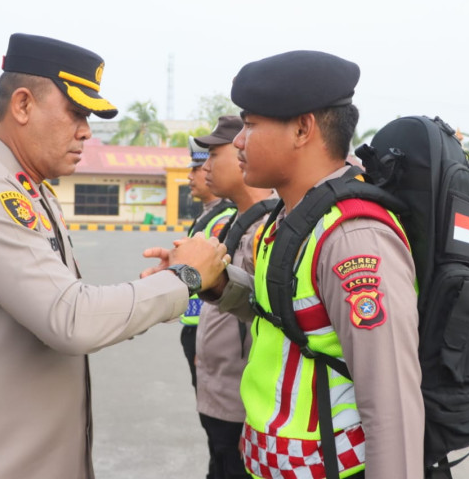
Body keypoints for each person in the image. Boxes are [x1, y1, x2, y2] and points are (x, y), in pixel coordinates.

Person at [0, 33, 228, 479]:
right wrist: (185, 280)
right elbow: (71, 319)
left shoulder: (30, 191)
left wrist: (165, 286)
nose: (86, 130)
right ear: (22, 105)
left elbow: (71, 301)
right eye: (76, 112)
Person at [189, 51, 424, 479]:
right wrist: (218, 283)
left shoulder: (353, 239)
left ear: (302, 128)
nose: (239, 141)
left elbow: (391, 404)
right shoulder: (292, 218)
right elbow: (281, 315)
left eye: (251, 124)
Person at [193, 116, 275, 479]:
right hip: (218, 396)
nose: (205, 167)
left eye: (213, 156)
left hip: (243, 407)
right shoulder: (235, 221)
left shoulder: (270, 228)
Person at [180, 137, 236, 390]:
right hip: (196, 325)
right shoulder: (208, 215)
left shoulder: (223, 219)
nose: (191, 176)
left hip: (209, 325)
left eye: (197, 168)